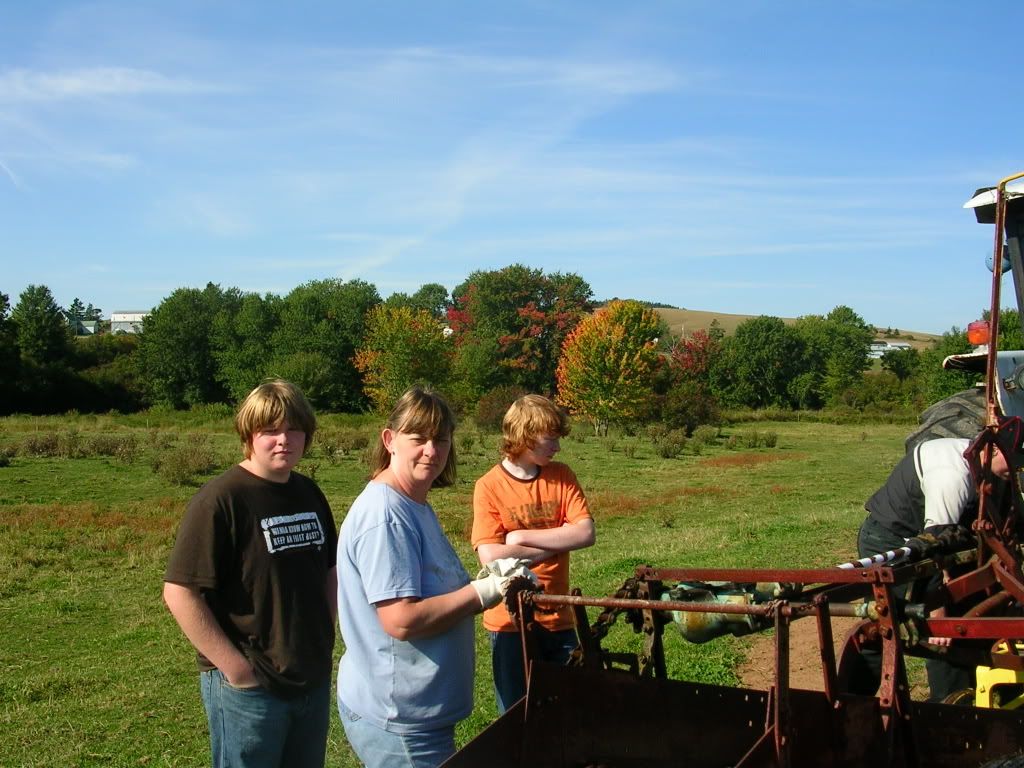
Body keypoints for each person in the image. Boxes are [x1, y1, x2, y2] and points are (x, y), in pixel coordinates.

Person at [336, 386, 530, 768]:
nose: (431, 450)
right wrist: (484, 591)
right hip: (400, 719)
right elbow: (401, 619)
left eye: (441, 439)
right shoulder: (386, 516)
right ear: (389, 440)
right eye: (418, 438)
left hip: (416, 711)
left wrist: (489, 576)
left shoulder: (412, 503)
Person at [163, 379, 337, 768]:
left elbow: (329, 569)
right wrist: (236, 669)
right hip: (250, 689)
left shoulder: (308, 492)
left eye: (294, 429)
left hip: (310, 677)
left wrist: (324, 635)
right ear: (249, 435)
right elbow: (179, 592)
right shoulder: (220, 500)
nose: (284, 440)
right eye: (270, 430)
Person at [853, 433, 1014, 702]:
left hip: (931, 541)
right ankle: (855, 699)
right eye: (1014, 460)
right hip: (891, 541)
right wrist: (938, 609)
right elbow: (934, 551)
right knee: (901, 625)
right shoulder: (951, 476)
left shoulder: (983, 463)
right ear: (994, 450)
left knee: (961, 616)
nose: (1018, 467)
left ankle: (968, 698)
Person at [471, 394, 597, 713]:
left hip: (559, 617)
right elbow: (491, 558)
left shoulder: (562, 476)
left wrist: (520, 537)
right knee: (517, 715)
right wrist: (559, 539)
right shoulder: (489, 486)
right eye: (550, 438)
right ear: (526, 436)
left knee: (568, 714)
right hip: (509, 623)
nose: (557, 447)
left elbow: (585, 533)